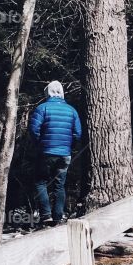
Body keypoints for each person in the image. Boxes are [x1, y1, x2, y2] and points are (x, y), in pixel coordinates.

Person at [29, 81, 82, 227]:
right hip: (64, 154)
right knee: (60, 185)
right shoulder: (72, 110)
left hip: (45, 152)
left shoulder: (42, 108)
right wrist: (69, 146)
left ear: (48, 93)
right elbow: (77, 133)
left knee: (41, 183)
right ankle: (57, 217)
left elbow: (34, 130)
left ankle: (46, 216)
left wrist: (39, 144)